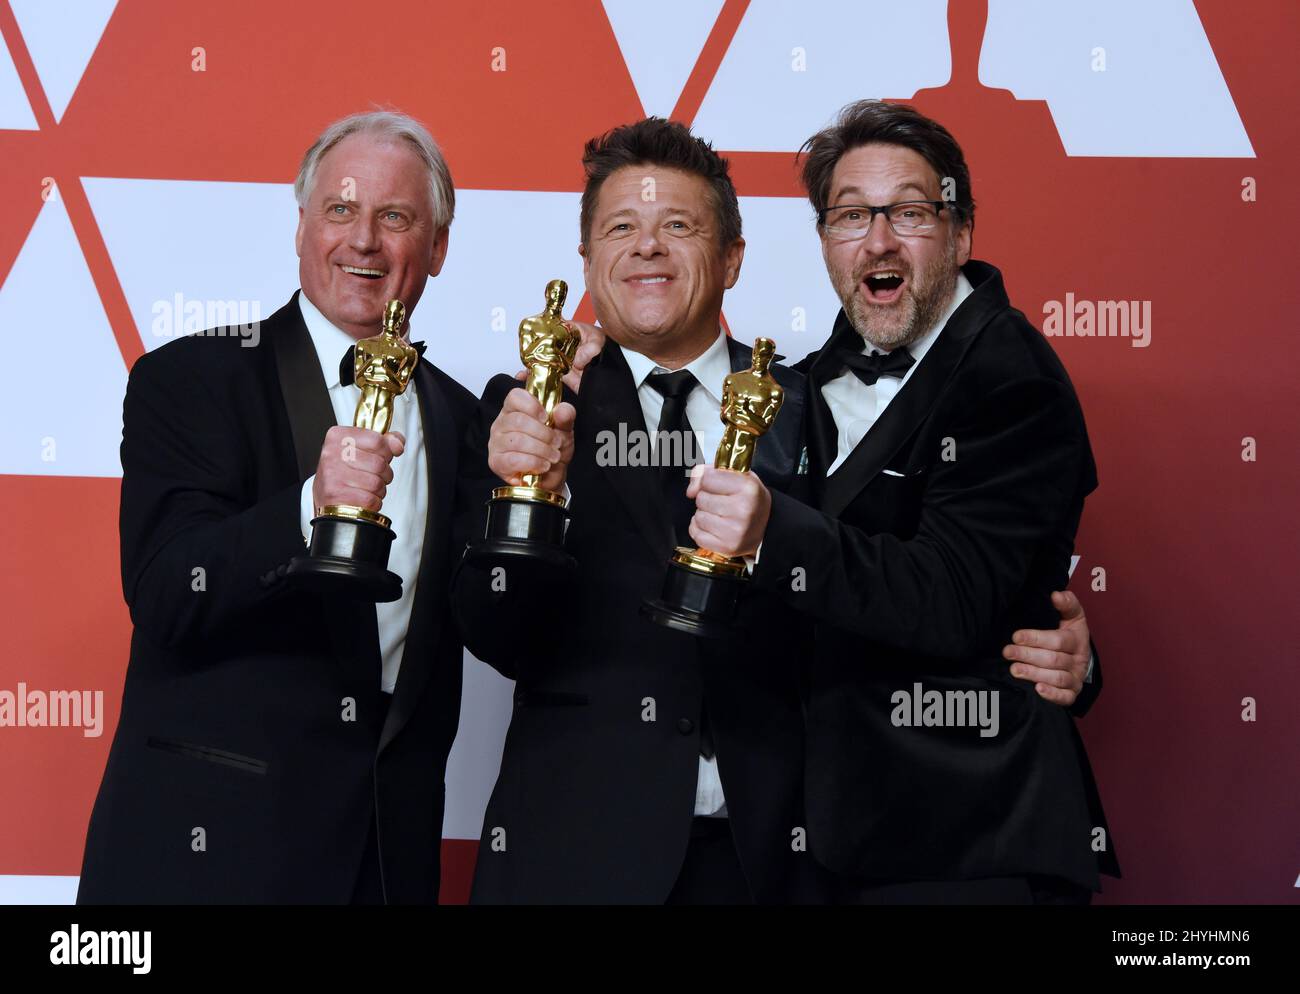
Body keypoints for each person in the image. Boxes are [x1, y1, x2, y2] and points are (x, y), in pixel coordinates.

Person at [454, 117, 1095, 904]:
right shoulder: (528, 406)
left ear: (732, 258)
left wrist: (1061, 647)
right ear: (587, 260)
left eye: (679, 226)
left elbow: (925, 579)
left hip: (781, 861)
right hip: (571, 853)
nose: (648, 246)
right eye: (622, 227)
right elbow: (494, 633)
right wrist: (534, 507)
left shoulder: (815, 406)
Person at [691, 100, 1118, 903]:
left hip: (966, 838)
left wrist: (771, 531)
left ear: (959, 234)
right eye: (851, 215)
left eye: (910, 212)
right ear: (825, 240)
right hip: (824, 838)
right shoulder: (804, 383)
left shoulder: (1011, 376)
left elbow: (952, 598)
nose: (878, 240)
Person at [78, 111, 489, 904]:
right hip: (210, 860)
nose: (363, 240)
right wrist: (310, 508)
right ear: (301, 227)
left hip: (385, 866)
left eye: (394, 217)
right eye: (339, 210)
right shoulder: (192, 378)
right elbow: (167, 590)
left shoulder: (464, 419)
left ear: (437, 247)